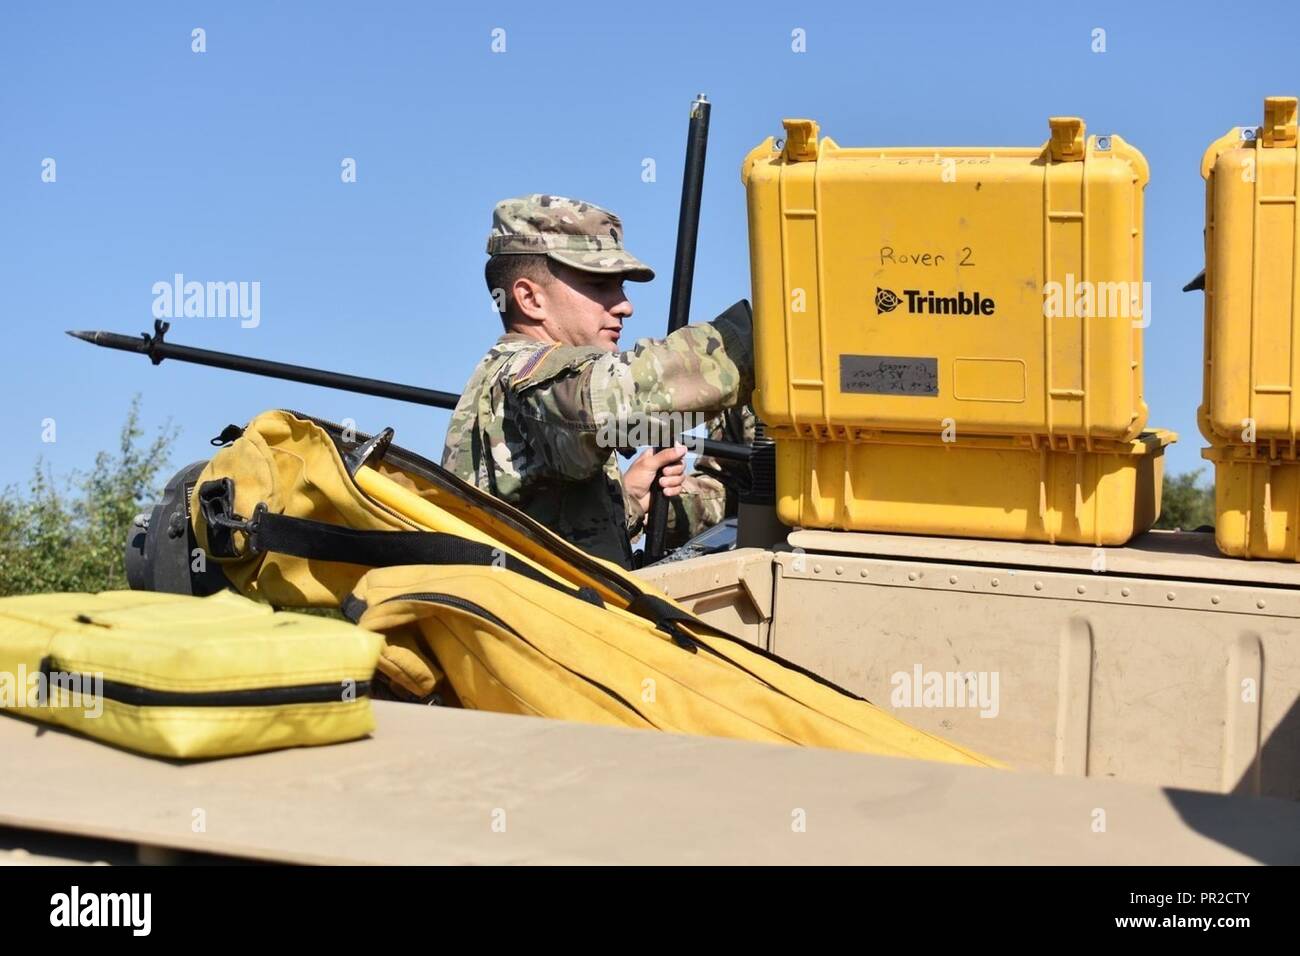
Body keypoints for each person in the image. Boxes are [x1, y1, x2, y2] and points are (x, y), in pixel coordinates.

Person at [442, 194, 753, 568]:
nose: (625, 305)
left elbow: (549, 530)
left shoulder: (526, 383)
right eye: (600, 285)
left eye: (620, 286)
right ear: (529, 298)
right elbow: (619, 395)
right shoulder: (527, 375)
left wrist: (631, 500)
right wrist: (759, 340)